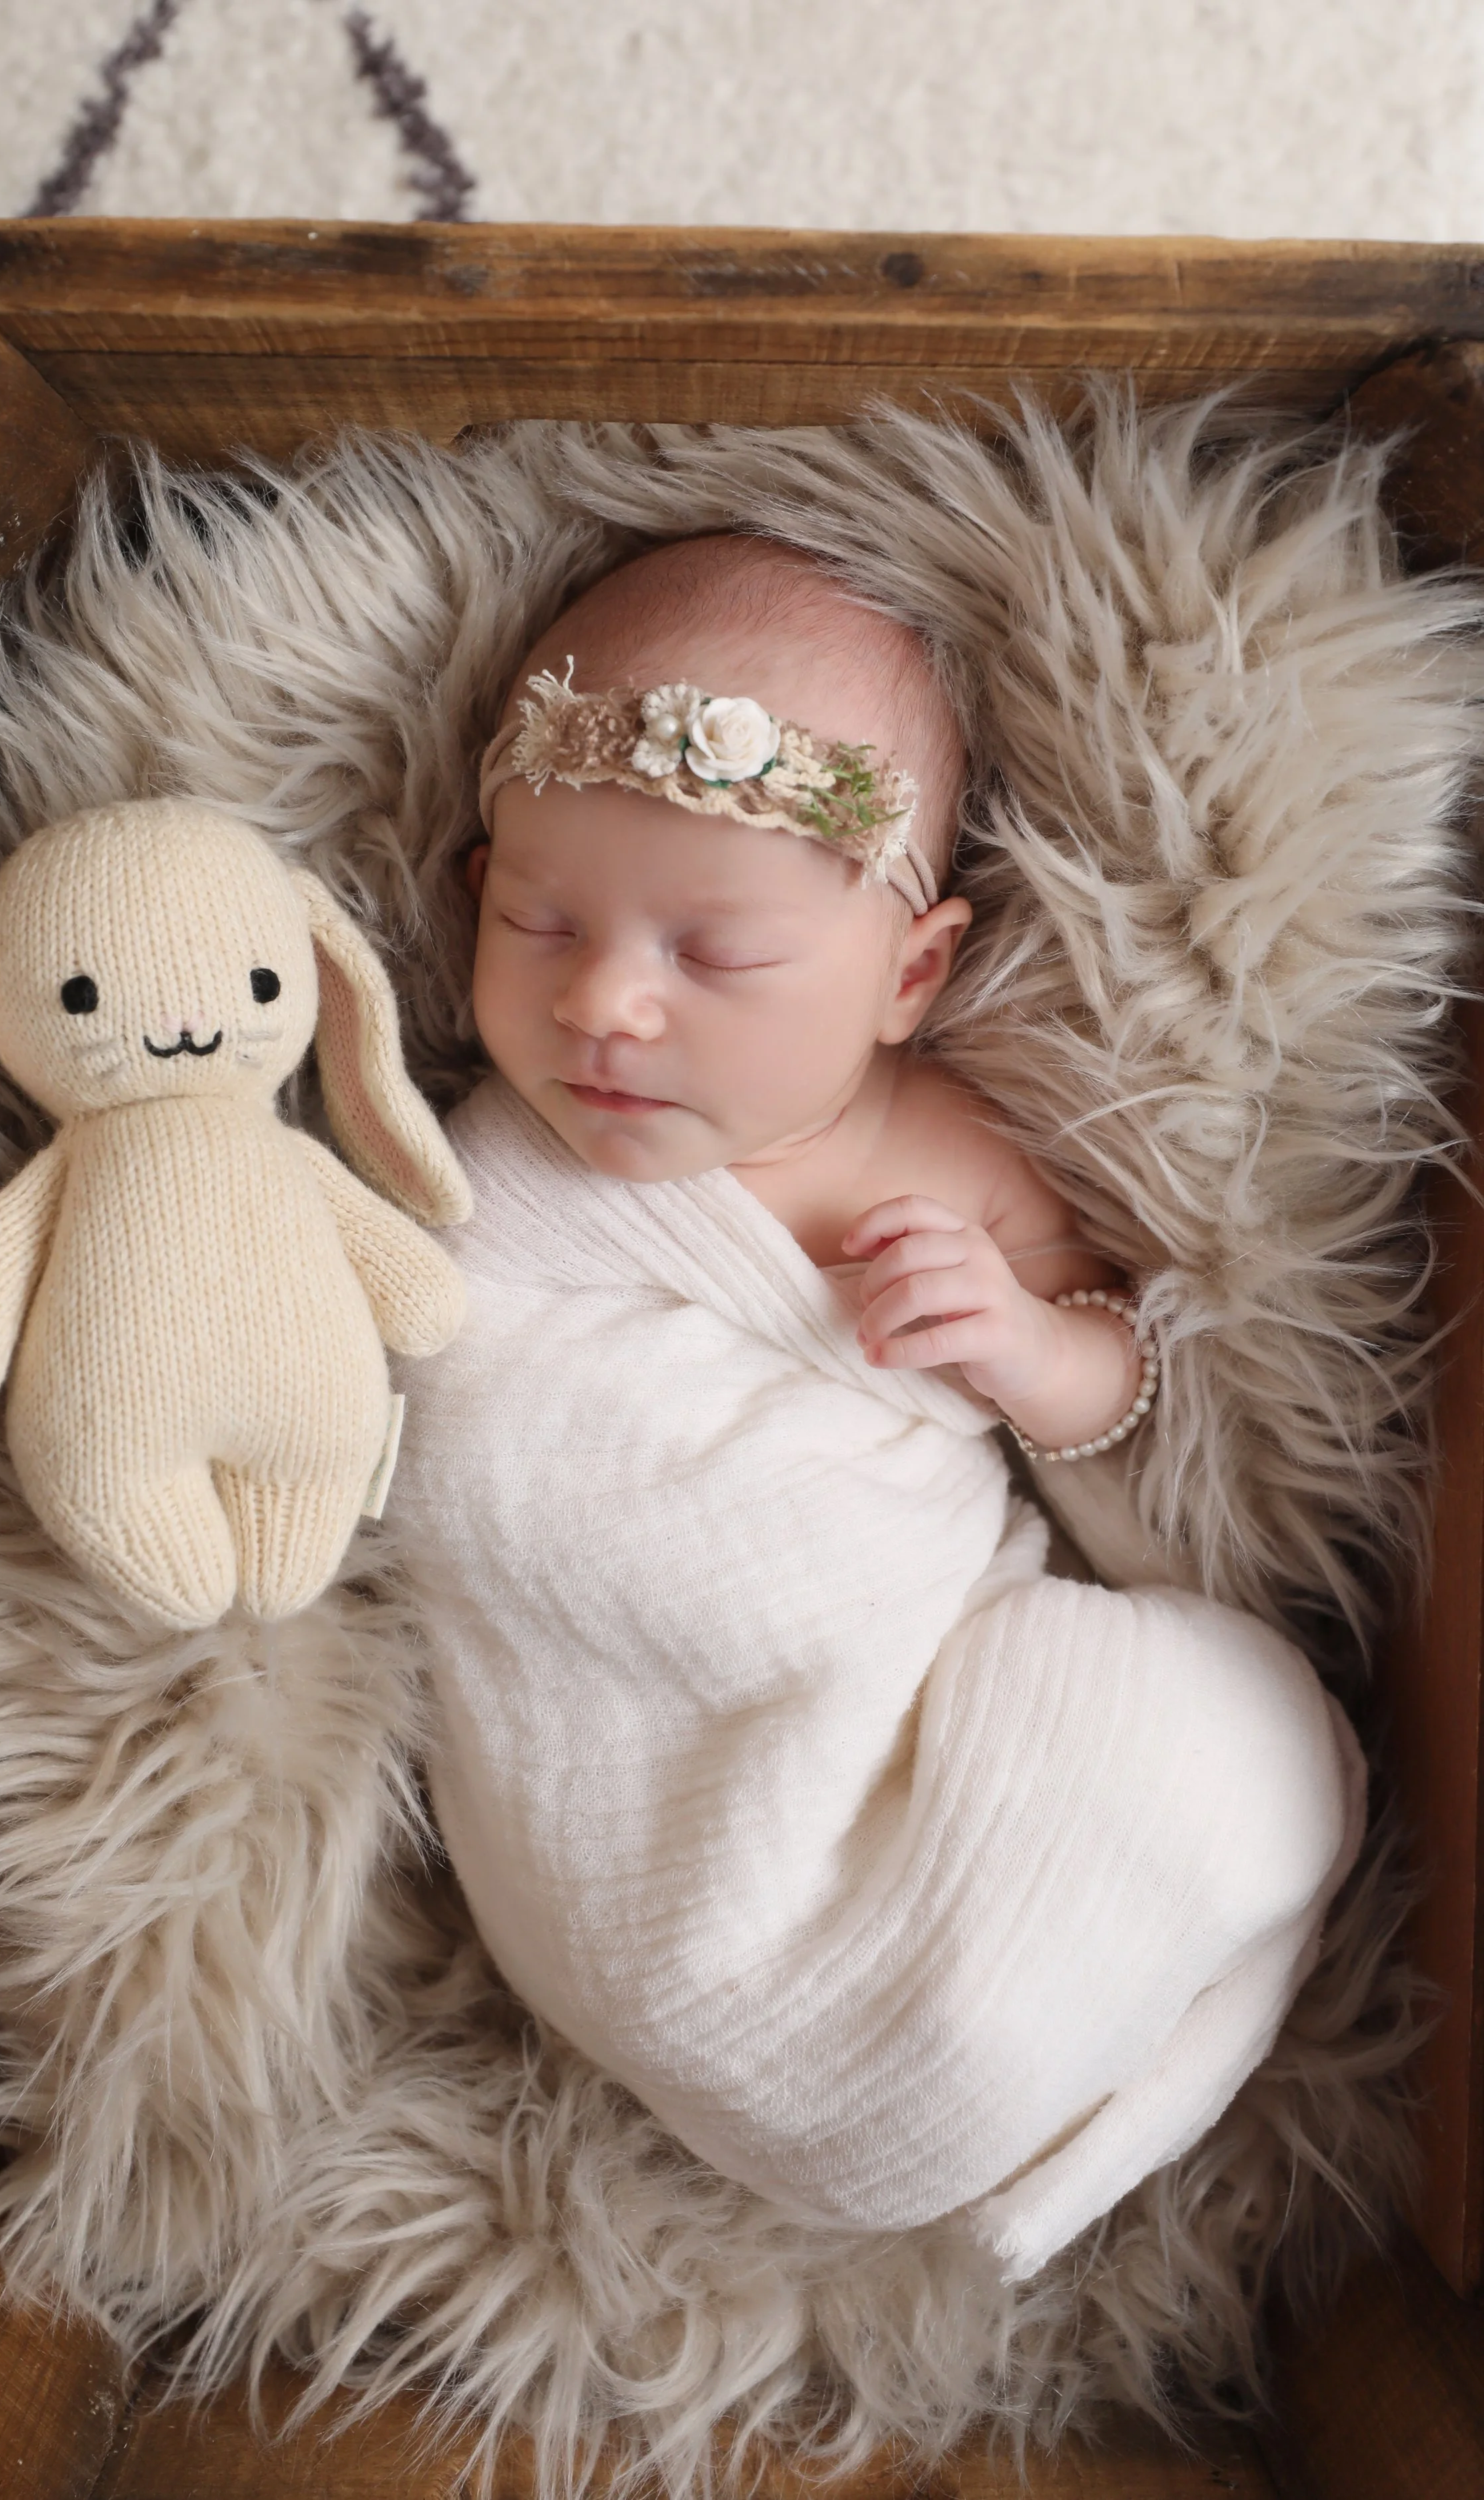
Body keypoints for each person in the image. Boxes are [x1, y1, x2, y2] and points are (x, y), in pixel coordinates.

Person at [383, 531, 1365, 2281]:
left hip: (907, 1702)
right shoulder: (493, 1171)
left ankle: (1030, 2032)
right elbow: (469, 1427)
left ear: (905, 972)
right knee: (1244, 1745)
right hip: (655, 1861)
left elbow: (1106, 1383)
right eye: (535, 919)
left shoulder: (934, 1152)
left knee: (1219, 1730)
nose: (600, 999)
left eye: (716, 951)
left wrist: (1006, 1337)